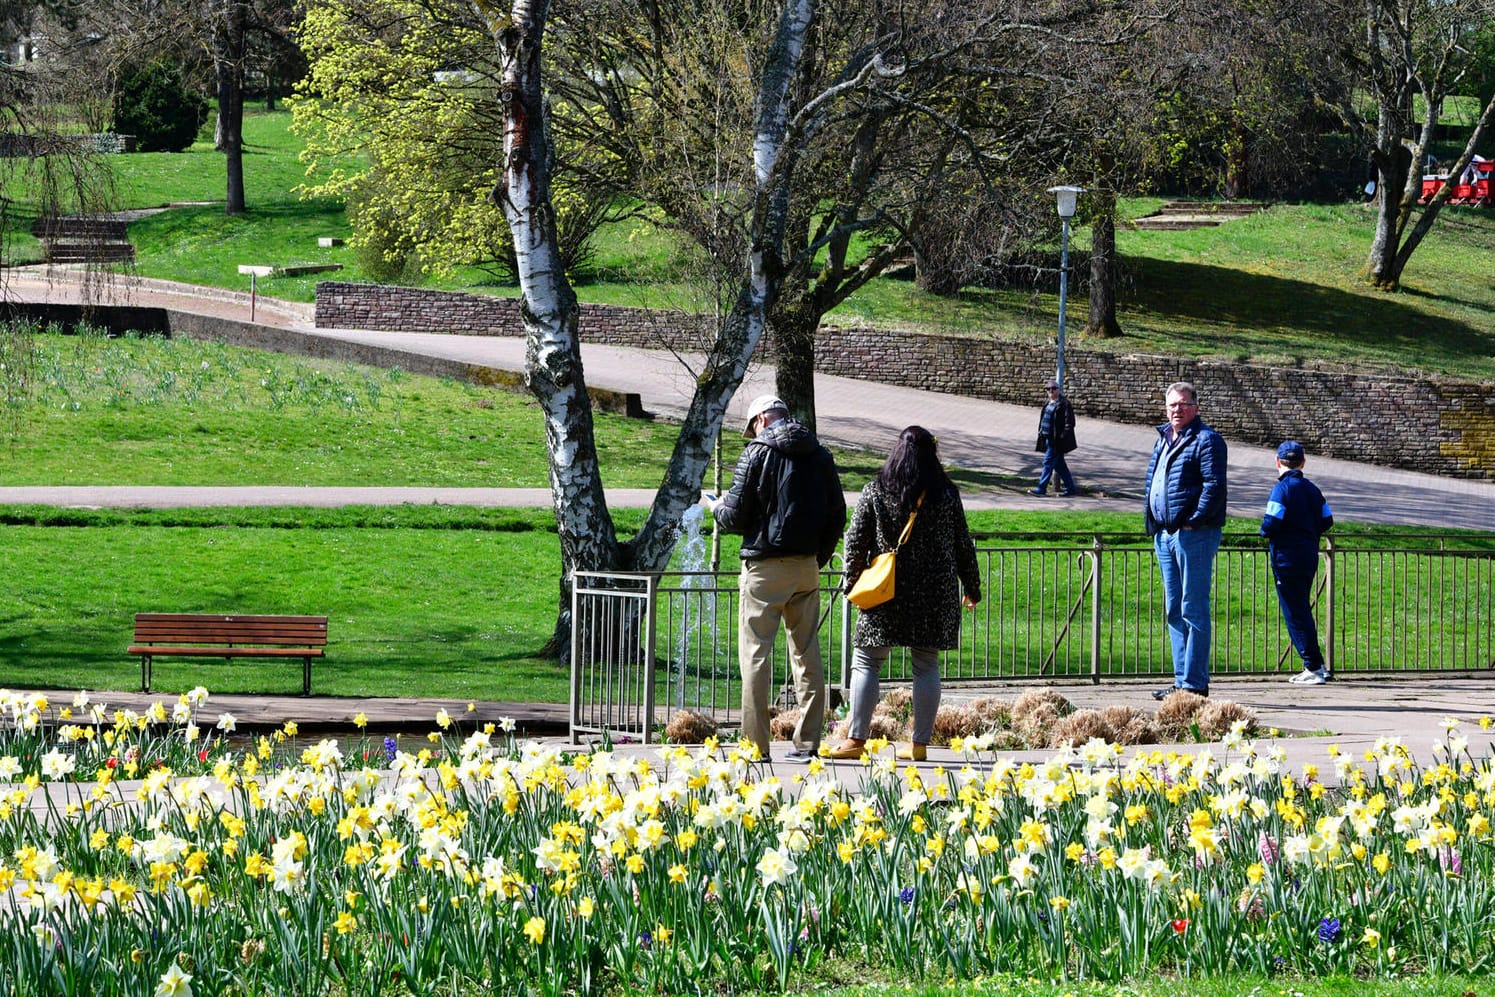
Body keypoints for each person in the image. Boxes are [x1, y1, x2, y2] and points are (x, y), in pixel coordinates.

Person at [827, 426, 981, 762]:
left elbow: (855, 541)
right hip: (935, 593)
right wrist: (973, 587)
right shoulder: (947, 494)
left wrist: (852, 582)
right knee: (926, 665)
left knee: (867, 661)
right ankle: (919, 744)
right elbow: (962, 544)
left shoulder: (876, 491)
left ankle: (855, 740)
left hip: (886, 589)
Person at [706, 395, 846, 761]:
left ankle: (756, 746)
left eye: (753, 425)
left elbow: (736, 516)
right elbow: (837, 513)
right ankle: (808, 742)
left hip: (764, 567)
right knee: (806, 652)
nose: (753, 431)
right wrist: (818, 554)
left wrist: (716, 507)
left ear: (763, 420)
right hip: (806, 567)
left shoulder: (757, 453)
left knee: (756, 655)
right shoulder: (821, 454)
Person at [1145, 381, 1228, 700]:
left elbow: (1214, 486)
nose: (1176, 410)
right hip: (1165, 534)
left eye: (1182, 404)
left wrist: (1194, 521)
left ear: (1196, 406)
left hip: (1194, 535)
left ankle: (1194, 684)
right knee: (1173, 609)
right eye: (1171, 405)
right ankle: (1182, 681)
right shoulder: (1164, 439)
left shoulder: (1207, 440)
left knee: (1193, 608)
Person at [1260, 440, 1334, 685]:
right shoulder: (1313, 489)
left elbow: (1271, 522)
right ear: (1303, 463)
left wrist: (1265, 532)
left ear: (1278, 462)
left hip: (1285, 558)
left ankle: (1313, 666)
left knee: (1295, 612)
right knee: (1302, 608)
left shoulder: (1281, 489)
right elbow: (1327, 520)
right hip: (1308, 555)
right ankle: (1317, 664)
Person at [1029, 378, 1078, 497]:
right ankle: (1071, 489)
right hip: (1047, 438)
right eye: (1048, 389)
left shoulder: (1064, 403)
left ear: (1058, 389)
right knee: (1060, 466)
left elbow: (1070, 423)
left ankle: (1041, 489)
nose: (1051, 391)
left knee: (1047, 463)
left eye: (1053, 388)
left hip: (1056, 441)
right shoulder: (1048, 402)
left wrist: (1062, 436)